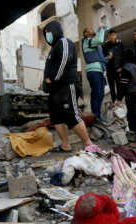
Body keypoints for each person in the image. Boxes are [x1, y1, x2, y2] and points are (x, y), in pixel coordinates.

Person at [43, 20, 93, 152]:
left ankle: (89, 144)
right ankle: (65, 145)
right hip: (55, 89)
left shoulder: (64, 42)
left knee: (71, 114)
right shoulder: (53, 48)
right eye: (45, 33)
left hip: (66, 85)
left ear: (56, 30)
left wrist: (53, 78)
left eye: (49, 32)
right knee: (56, 117)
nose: (47, 35)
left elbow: (64, 60)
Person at [115, 49, 136, 148]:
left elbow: (123, 85)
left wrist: (119, 99)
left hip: (130, 95)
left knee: (134, 116)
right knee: (131, 115)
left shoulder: (126, 69)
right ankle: (134, 136)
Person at [82, 26, 107, 121]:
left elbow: (99, 58)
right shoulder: (87, 41)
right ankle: (95, 116)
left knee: (101, 93)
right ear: (86, 34)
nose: (92, 30)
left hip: (99, 70)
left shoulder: (93, 43)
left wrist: (107, 58)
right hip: (93, 71)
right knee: (96, 93)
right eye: (90, 30)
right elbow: (100, 40)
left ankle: (98, 115)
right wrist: (102, 29)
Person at [103, 29, 124, 104]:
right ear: (108, 36)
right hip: (109, 69)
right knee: (111, 88)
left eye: (113, 35)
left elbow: (122, 56)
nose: (112, 37)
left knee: (119, 86)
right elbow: (104, 58)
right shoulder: (105, 45)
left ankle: (119, 101)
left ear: (116, 35)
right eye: (110, 35)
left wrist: (121, 67)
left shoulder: (120, 44)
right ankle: (113, 101)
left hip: (118, 69)